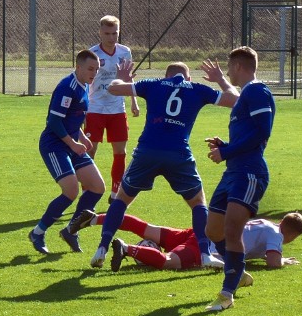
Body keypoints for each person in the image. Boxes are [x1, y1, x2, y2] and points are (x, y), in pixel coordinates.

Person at [88, 60, 239, 269]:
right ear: (188, 78)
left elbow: (113, 88)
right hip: (178, 154)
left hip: (147, 151)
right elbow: (235, 99)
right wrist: (221, 79)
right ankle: (205, 254)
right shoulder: (197, 89)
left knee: (121, 199)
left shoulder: (154, 84)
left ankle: (101, 249)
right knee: (198, 203)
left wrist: (123, 76)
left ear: (166, 76)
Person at [203, 46, 276, 312]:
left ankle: (226, 293)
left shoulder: (257, 91)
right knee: (213, 230)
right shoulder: (246, 94)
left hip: (249, 172)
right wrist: (227, 145)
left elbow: (262, 132)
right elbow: (249, 133)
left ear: (238, 67)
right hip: (233, 171)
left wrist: (227, 151)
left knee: (232, 231)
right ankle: (238, 271)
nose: (228, 72)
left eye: (229, 68)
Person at [28, 50, 105, 254]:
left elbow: (72, 117)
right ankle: (38, 232)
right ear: (78, 67)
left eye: (96, 70)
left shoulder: (84, 85)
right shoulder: (67, 87)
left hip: (71, 143)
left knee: (97, 187)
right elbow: (54, 122)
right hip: (54, 145)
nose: (94, 73)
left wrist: (82, 137)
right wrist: (73, 144)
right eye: (90, 69)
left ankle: (71, 230)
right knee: (71, 191)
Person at [68, 209, 302, 275]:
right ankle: (127, 248)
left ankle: (95, 219)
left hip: (199, 232)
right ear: (291, 233)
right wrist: (283, 261)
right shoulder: (276, 235)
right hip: (205, 247)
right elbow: (273, 262)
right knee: (171, 262)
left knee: (148, 228)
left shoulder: (266, 223)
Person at [85, 15, 140, 203]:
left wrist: (134, 102)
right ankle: (88, 192)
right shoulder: (92, 53)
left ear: (119, 32)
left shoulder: (125, 52)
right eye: (107, 33)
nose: (111, 37)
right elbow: (84, 80)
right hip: (95, 108)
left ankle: (115, 192)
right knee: (90, 151)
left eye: (114, 33)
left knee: (121, 152)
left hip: (117, 108)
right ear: (100, 32)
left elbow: (128, 78)